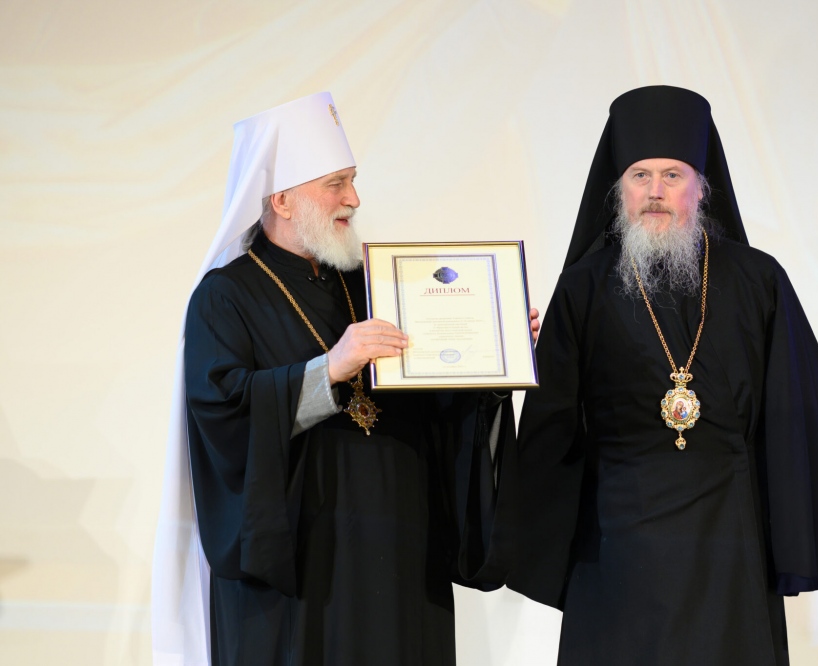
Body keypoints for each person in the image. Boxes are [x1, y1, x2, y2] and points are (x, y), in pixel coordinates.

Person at [151, 92, 534, 666]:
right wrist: (328, 370)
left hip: (400, 555)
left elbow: (433, 409)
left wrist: (494, 361)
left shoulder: (377, 283)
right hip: (300, 575)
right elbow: (223, 412)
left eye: (352, 181)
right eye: (336, 184)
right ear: (281, 199)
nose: (354, 199)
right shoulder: (225, 296)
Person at [507, 86, 818, 665]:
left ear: (701, 186)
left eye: (672, 175)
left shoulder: (758, 280)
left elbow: (792, 415)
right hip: (617, 543)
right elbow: (551, 429)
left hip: (730, 540)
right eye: (640, 176)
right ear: (619, 188)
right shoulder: (583, 286)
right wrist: (510, 360)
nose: (655, 192)